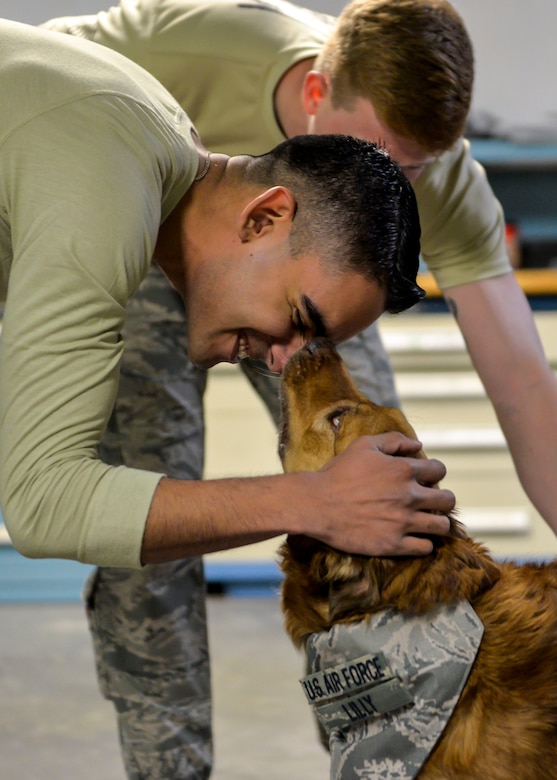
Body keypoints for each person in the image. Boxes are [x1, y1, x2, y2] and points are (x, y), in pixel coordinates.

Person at [39, 0, 557, 776]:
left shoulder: (428, 176)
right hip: (142, 245)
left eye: (412, 169)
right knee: (154, 539)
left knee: (379, 483)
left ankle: (395, 756)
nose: (396, 181)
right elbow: (37, 93)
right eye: (379, 153)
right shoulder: (195, 60)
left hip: (314, 262)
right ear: (314, 95)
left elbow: (522, 383)